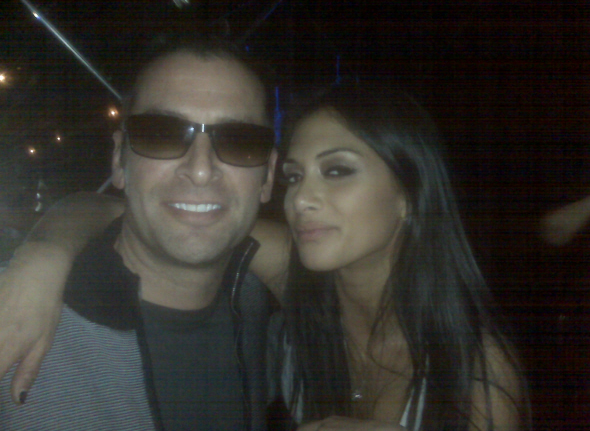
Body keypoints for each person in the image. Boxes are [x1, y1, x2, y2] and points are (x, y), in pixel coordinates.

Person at [0, 82, 529, 430]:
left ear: (408, 194)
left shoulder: (475, 375)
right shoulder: (300, 280)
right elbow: (138, 212)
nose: (301, 199)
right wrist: (44, 254)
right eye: (295, 177)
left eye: (337, 171)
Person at [0, 37, 283, 430]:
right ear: (119, 160)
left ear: (267, 175)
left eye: (239, 141)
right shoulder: (14, 316)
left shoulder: (265, 315)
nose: (201, 170)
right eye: (161, 133)